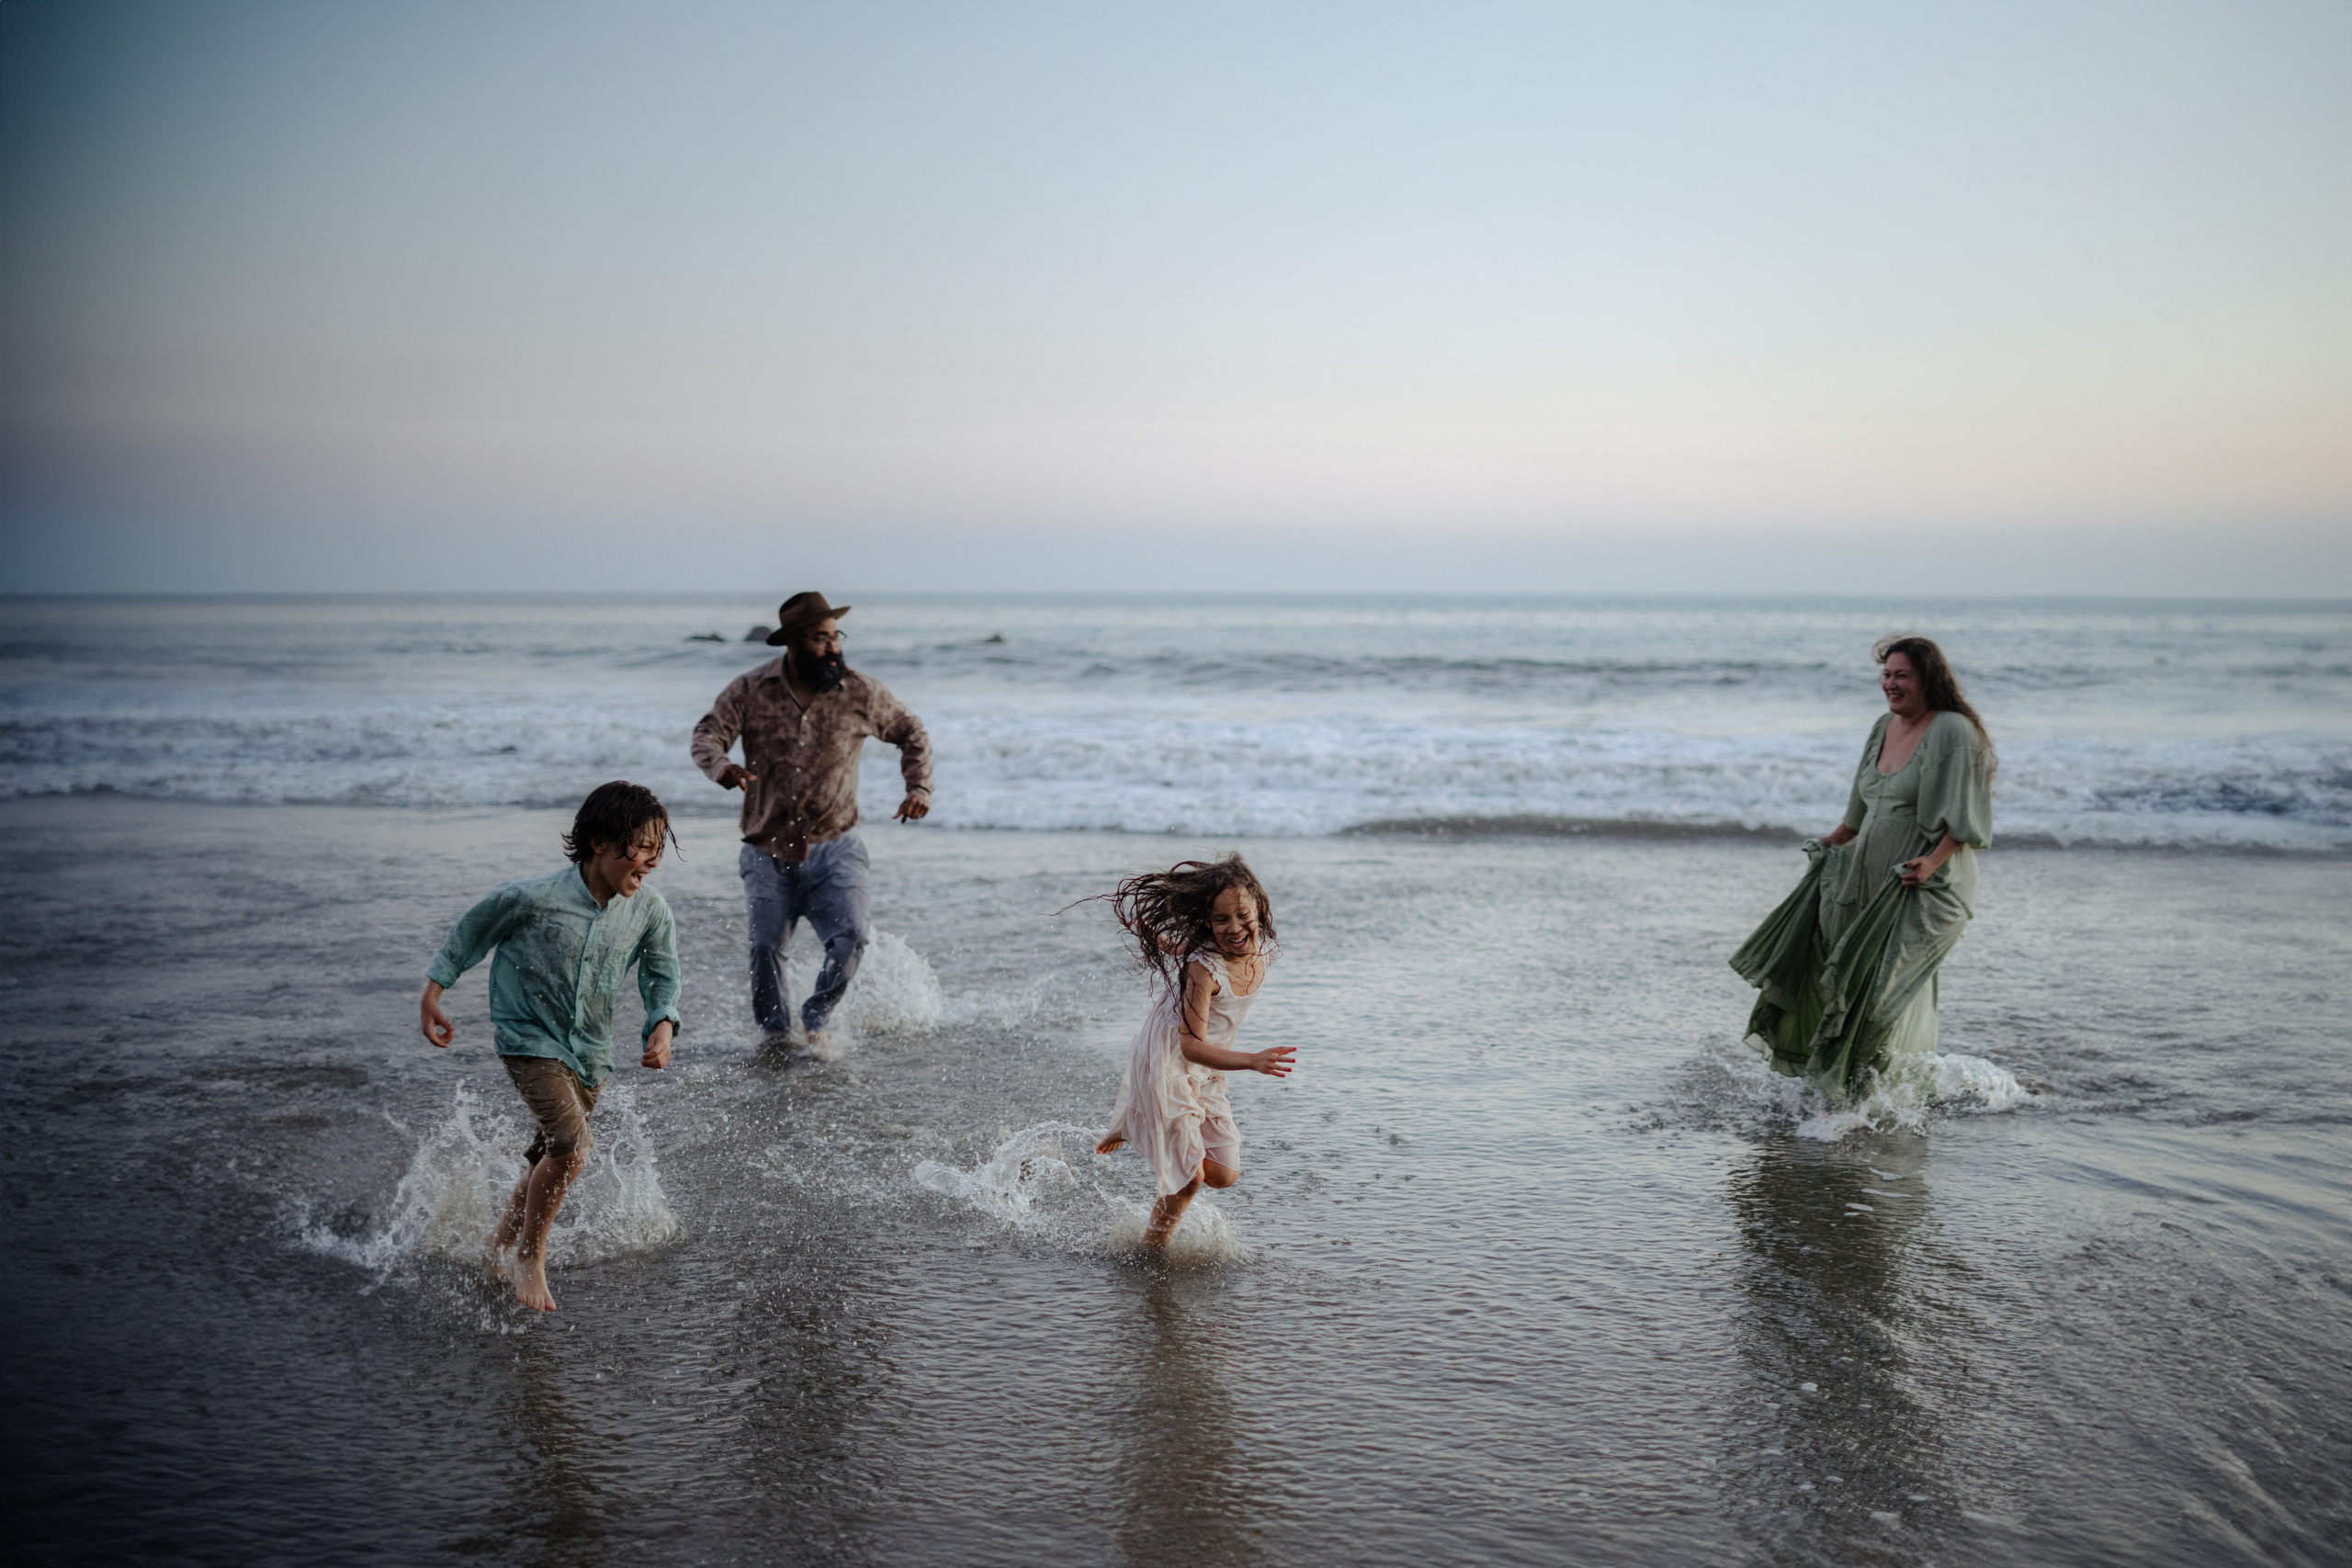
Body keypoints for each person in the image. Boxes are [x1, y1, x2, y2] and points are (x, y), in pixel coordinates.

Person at [419, 782, 682, 1312]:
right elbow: (473, 930)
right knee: (572, 1149)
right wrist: (434, 992)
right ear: (602, 842)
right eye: (643, 847)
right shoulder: (533, 897)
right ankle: (530, 1257)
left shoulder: (649, 911)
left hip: (589, 1052)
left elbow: (661, 972)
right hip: (528, 1039)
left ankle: (495, 1247)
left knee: (549, 1158)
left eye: (658, 849)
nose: (652, 861)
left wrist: (663, 1024)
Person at [1731, 636, 1996, 1097]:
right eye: (1886, 675)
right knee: (1840, 987)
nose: (1889, 685)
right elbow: (1857, 814)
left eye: (1901, 676)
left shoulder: (1953, 731)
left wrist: (1932, 862)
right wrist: (1827, 846)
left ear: (1927, 679)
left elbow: (1967, 820)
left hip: (1924, 887)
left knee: (1877, 998)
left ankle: (1876, 1101)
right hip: (1863, 883)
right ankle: (1858, 1100)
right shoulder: (1882, 727)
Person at [691, 591, 933, 1054]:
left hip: (837, 846)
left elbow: (912, 732)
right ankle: (776, 1037)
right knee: (765, 948)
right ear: (794, 643)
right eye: (821, 639)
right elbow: (707, 733)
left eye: (836, 636)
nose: (834, 647)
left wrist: (917, 788)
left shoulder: (860, 692)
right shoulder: (750, 690)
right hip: (766, 849)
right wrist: (721, 767)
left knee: (853, 937)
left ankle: (816, 1016)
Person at [1091, 855, 1296, 1249]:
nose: (1235, 928)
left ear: (1259, 908)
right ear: (1207, 922)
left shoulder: (1263, 948)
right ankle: (1151, 1252)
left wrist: (1158, 938)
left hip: (1209, 1065)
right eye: (1221, 921)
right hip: (1171, 1059)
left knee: (1222, 1174)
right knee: (1190, 1178)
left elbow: (1183, 945)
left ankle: (1137, 1122)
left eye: (1242, 915)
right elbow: (1189, 1045)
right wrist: (1253, 1061)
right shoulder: (1204, 970)